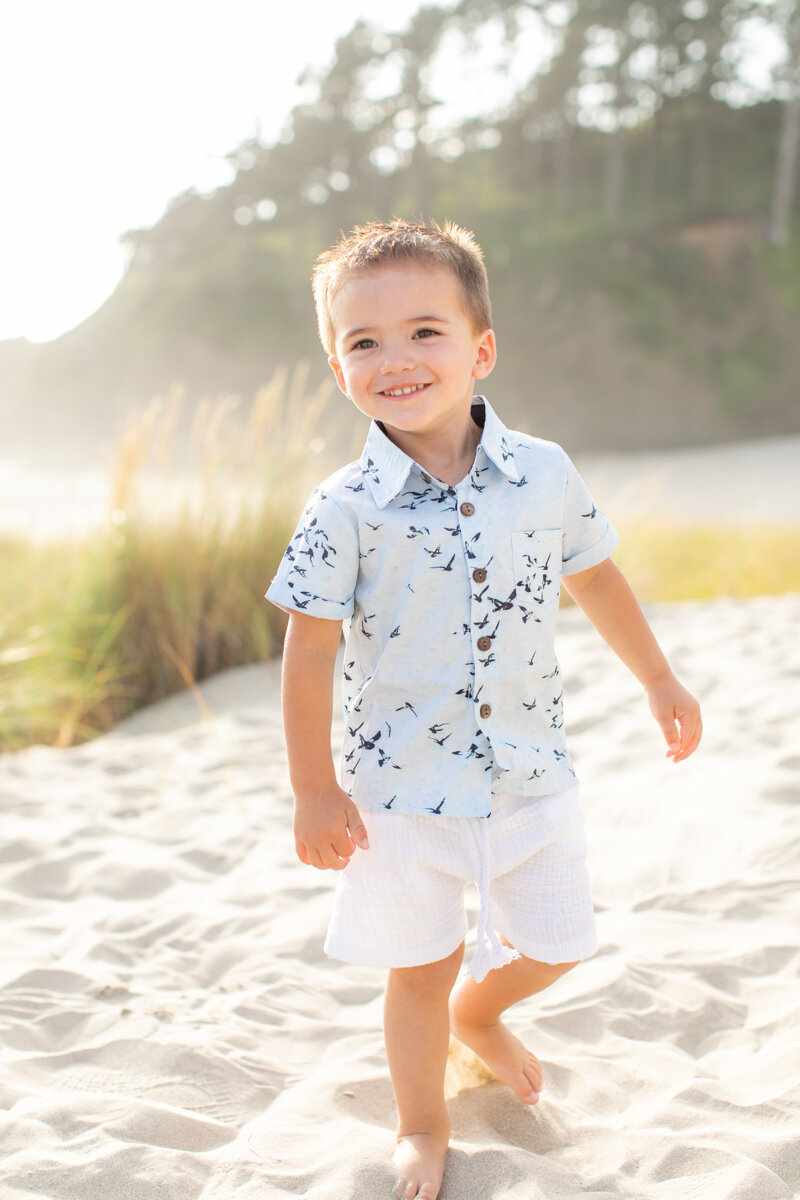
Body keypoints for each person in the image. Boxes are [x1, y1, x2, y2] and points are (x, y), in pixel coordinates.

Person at [265, 218, 702, 1200]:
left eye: (425, 330)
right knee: (416, 965)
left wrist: (658, 679)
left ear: (480, 349)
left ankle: (483, 1013)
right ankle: (420, 1124)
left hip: (529, 769)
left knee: (555, 941)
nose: (397, 359)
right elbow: (308, 650)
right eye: (363, 342)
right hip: (401, 792)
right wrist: (311, 789)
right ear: (339, 367)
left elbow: (593, 578)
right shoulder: (343, 507)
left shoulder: (542, 472)